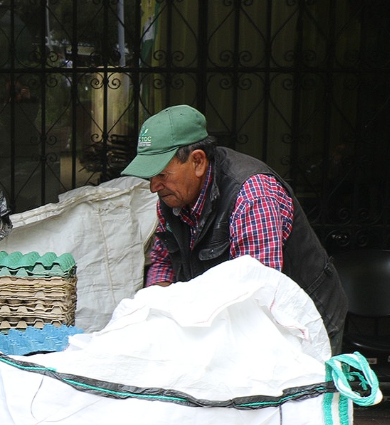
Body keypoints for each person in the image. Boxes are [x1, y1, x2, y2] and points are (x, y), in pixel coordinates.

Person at [123, 104, 347, 352]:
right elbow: (164, 261)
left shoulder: (252, 195)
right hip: (228, 316)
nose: (153, 186)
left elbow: (257, 297)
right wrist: (157, 308)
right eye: (150, 177)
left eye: (162, 175)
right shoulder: (172, 198)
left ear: (197, 161)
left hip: (301, 321)